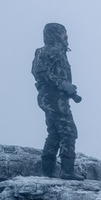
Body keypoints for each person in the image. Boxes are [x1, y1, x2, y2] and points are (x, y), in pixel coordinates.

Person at [33, 22, 83, 179]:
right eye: (63, 33)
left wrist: (68, 89)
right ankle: (67, 172)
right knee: (69, 132)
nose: (66, 36)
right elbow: (40, 72)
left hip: (57, 97)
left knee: (55, 133)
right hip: (52, 97)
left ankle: (47, 172)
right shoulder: (46, 51)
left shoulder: (59, 52)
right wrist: (62, 84)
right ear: (54, 34)